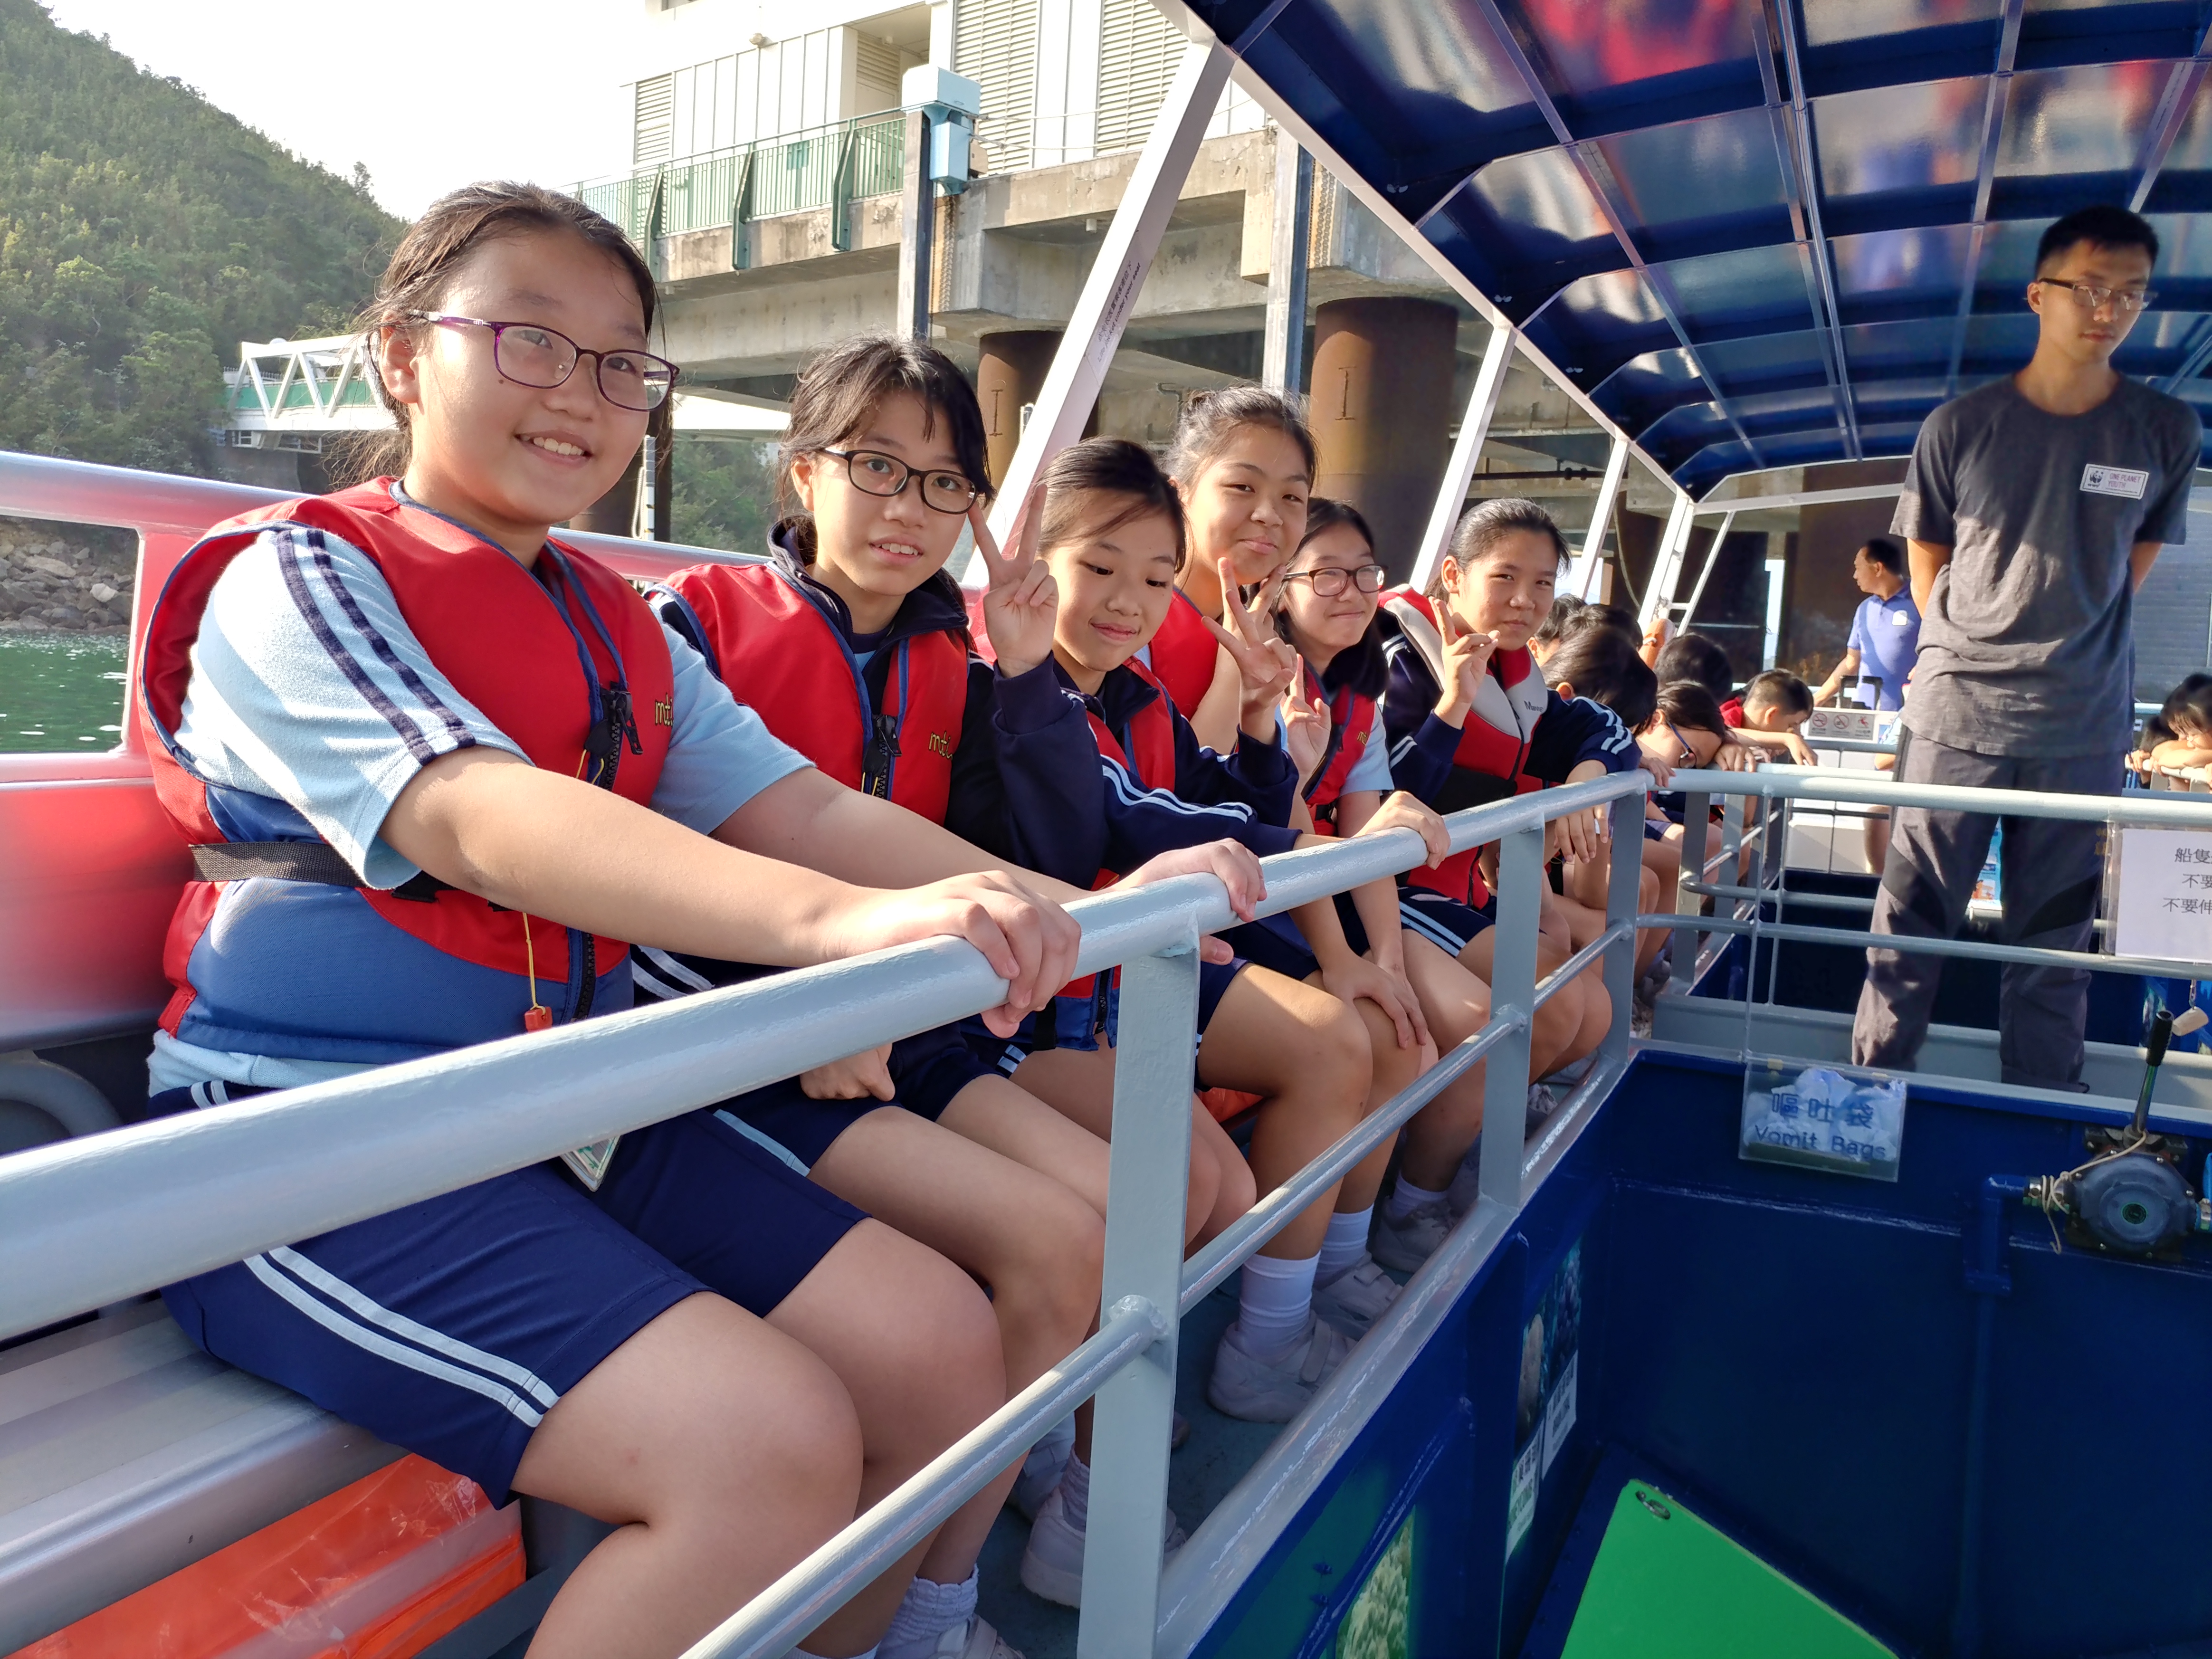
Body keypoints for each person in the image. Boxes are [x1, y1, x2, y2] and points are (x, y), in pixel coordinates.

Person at [133, 184, 1247, 1659]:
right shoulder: (298, 577)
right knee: (766, 1445)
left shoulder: (612, 626)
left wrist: (1071, 904)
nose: (579, 394)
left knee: (938, 1346)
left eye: (620, 364)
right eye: (531, 339)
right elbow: (467, 809)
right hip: (329, 1133)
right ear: (402, 355)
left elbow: (804, 809)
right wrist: (839, 928)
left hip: (585, 1096)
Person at [977, 439, 1448, 1440]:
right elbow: (1113, 818)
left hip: (1098, 985)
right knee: (1210, 1171)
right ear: (1035, 563)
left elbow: (1205, 800)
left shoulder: (1132, 695)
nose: (1129, 601)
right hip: (1015, 1014)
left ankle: (1155, 1398)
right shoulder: (1009, 688)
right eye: (1099, 567)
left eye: (1156, 579)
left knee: (1235, 1173)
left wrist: (1268, 729)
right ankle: (1081, 1446)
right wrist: (1338, 845)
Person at [1854, 202, 2202, 1090]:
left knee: (2056, 946)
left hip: (2081, 724)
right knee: (1908, 930)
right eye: (2088, 287)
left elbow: (2125, 572)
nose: (2108, 309)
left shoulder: (2165, 430)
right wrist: (1970, 648)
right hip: (1954, 719)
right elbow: (1927, 567)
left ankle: (2042, 1119)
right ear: (2038, 294)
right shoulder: (1960, 425)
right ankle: (1867, 1102)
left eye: (2130, 293)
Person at [1270, 498, 1585, 1272]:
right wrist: (1450, 706)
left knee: (1564, 996)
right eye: (1327, 575)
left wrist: (1382, 955)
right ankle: (1392, 1221)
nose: (1524, 600)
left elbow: (1374, 819)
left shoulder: (1358, 688)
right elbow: (1309, 825)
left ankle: (1417, 1193)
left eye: (1363, 575)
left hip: (1376, 895)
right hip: (1298, 909)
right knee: (1462, 1029)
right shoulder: (1341, 671)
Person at [1374, 498, 1638, 1082]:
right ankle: (1460, 1133)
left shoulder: (1513, 675)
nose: (1526, 600)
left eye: (1543, 583)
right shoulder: (1399, 657)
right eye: (1505, 578)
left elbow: (1607, 729)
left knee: (1592, 1008)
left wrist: (1589, 778)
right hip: (1392, 893)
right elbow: (1388, 790)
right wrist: (1452, 707)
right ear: (1453, 576)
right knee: (1557, 1006)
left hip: (1465, 887)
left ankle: (1493, 1116)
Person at [1145, 387, 1314, 750]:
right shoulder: (1128, 622)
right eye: (1242, 487)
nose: (1269, 515)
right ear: (1179, 495)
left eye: (1292, 497)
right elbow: (1163, 785)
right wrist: (1232, 679)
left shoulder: (1263, 638)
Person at [1813, 537, 1919, 714]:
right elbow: (1852, 662)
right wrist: (1818, 699)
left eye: (1858, 567)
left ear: (1878, 568)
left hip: (1908, 714)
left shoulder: (1920, 600)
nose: (1855, 576)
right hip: (1864, 715)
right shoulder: (1865, 609)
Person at [1731, 670, 1817, 766]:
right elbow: (1726, 733)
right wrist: (1785, 740)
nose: (1796, 733)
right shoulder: (1726, 718)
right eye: (1791, 725)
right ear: (1771, 715)